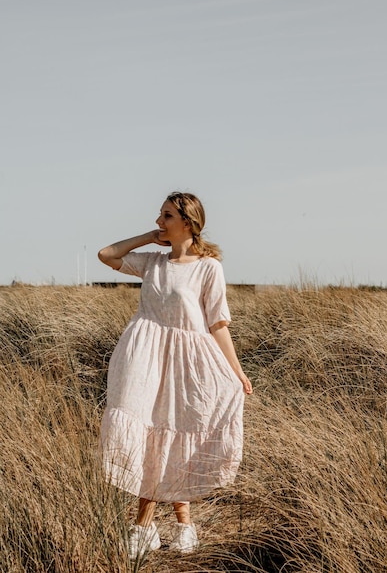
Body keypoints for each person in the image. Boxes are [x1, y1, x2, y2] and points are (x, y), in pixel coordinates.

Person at [98, 191, 253, 560]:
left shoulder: (208, 267)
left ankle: (184, 525)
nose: (159, 221)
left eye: (166, 216)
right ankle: (143, 527)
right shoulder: (153, 262)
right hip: (144, 358)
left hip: (189, 363)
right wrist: (148, 238)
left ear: (188, 221)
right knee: (147, 438)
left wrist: (237, 371)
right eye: (159, 214)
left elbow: (217, 323)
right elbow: (107, 255)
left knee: (177, 434)